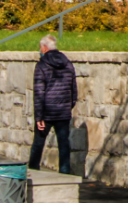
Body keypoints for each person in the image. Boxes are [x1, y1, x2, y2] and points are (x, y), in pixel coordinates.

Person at [28, 33, 78, 174]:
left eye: (40, 48)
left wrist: (39, 117)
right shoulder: (68, 64)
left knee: (38, 143)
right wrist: (68, 106)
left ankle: (33, 171)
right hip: (63, 111)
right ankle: (65, 173)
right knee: (63, 144)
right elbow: (74, 90)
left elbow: (39, 93)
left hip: (47, 112)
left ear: (44, 48)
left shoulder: (42, 65)